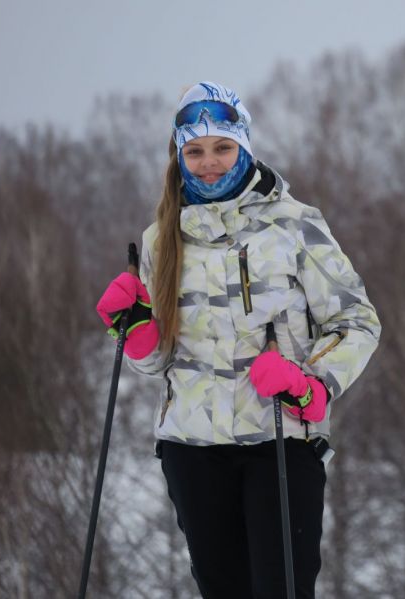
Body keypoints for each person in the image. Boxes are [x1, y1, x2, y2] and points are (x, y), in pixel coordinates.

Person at [95, 81, 381, 599]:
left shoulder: (295, 226)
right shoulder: (163, 237)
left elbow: (358, 321)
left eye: (223, 148)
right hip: (192, 448)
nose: (209, 163)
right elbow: (159, 361)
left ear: (245, 147)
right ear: (179, 154)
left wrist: (311, 384)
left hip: (279, 441)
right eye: (196, 150)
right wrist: (136, 334)